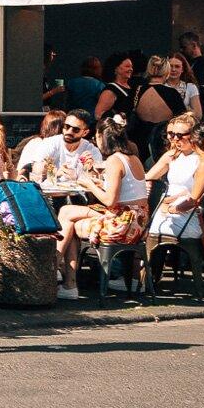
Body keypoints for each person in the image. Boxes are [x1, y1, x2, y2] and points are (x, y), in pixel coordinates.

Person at [54, 115, 149, 300]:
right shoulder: (133, 158)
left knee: (67, 217)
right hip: (137, 221)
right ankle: (63, 276)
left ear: (101, 136)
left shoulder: (114, 160)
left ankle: (61, 273)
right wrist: (95, 180)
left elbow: (110, 201)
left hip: (121, 222)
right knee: (67, 213)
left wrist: (88, 183)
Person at [145, 114, 204, 250]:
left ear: (193, 135)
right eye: (171, 134)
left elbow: (200, 198)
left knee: (152, 227)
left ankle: (150, 267)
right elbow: (148, 177)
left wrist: (171, 206)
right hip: (168, 207)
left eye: (180, 135)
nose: (173, 139)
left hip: (191, 212)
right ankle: (150, 267)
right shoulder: (171, 155)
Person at [41, 110, 103, 181]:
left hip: (79, 191)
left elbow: (96, 180)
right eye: (67, 126)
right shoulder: (50, 143)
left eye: (76, 129)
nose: (69, 131)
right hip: (49, 190)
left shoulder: (91, 151)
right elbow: (37, 173)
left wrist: (89, 169)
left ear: (85, 133)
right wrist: (56, 174)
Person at [14, 111, 66, 179]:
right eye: (66, 127)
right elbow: (29, 172)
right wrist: (57, 173)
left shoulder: (62, 145)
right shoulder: (37, 143)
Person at [93, 53, 136, 126]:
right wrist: (116, 121)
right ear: (116, 69)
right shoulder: (110, 90)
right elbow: (98, 115)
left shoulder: (132, 87)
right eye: (127, 66)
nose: (131, 69)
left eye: (131, 67)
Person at [166, 51, 204, 123]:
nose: (173, 69)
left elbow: (198, 115)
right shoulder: (160, 86)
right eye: (170, 66)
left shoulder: (190, 87)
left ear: (182, 69)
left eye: (177, 66)